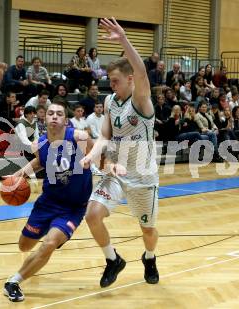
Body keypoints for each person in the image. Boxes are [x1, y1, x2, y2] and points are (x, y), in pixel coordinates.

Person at [80, 17, 159, 288]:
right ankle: (113, 259)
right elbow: (105, 136)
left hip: (143, 175)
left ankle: (149, 258)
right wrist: (92, 155)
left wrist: (124, 39)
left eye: (115, 81)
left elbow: (142, 72)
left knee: (147, 230)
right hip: (115, 170)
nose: (111, 85)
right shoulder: (110, 101)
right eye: (109, 81)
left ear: (129, 79)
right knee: (92, 215)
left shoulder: (141, 99)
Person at [3, 101, 93, 302]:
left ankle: (13, 282)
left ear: (65, 120)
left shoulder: (79, 138)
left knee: (50, 243)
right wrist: (18, 176)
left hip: (73, 208)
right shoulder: (39, 144)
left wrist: (107, 171)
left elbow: (98, 155)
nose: (54, 116)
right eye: (50, 113)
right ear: (45, 118)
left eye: (59, 113)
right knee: (24, 246)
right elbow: (39, 162)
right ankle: (50, 231)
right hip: (48, 203)